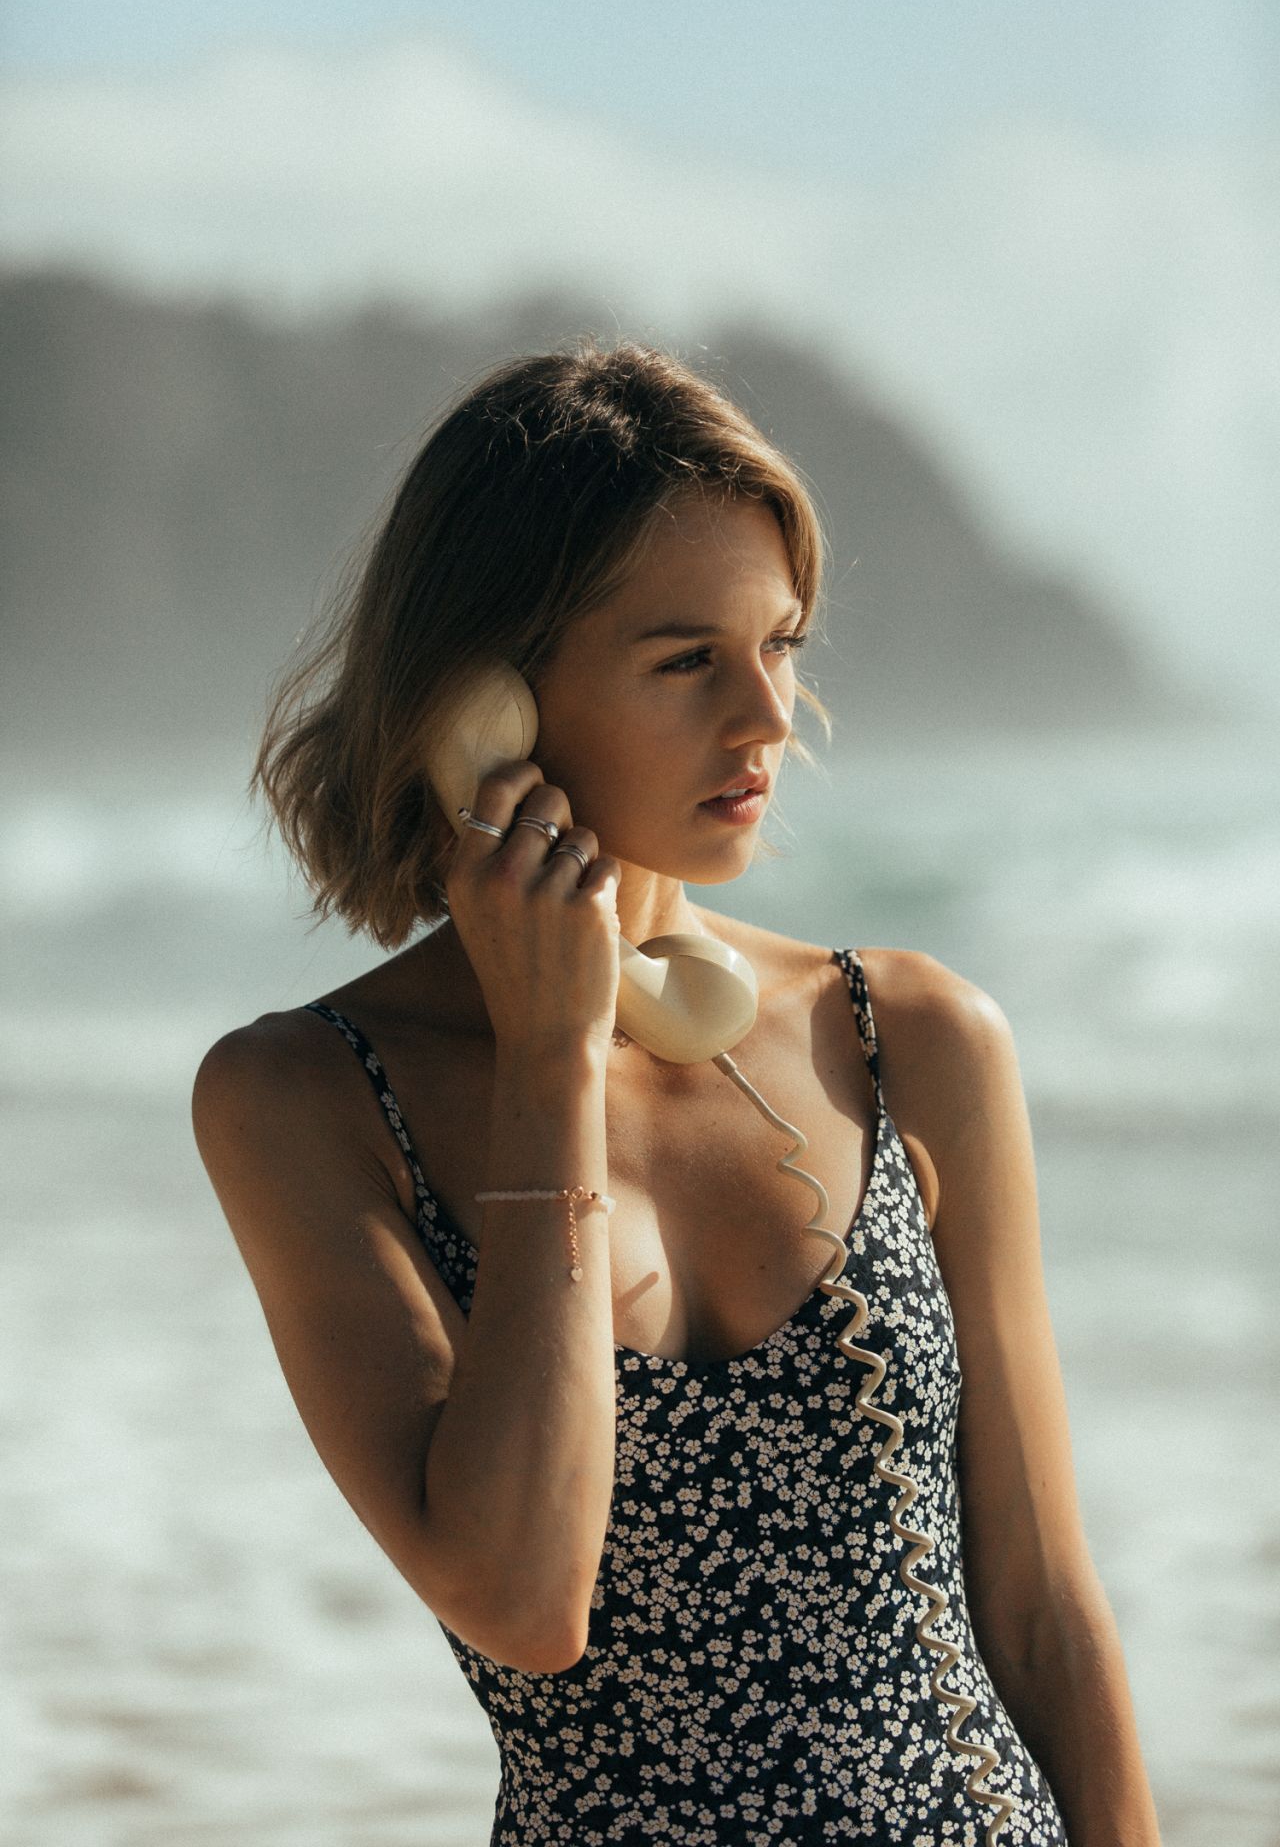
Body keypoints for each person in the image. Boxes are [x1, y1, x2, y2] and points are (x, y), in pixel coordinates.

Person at [191, 338, 1161, 1846]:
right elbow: (522, 1597)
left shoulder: (913, 1040)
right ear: (487, 705)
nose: (767, 718)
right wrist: (556, 1059)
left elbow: (1043, 1620)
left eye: (781, 645)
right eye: (688, 658)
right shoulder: (301, 1101)